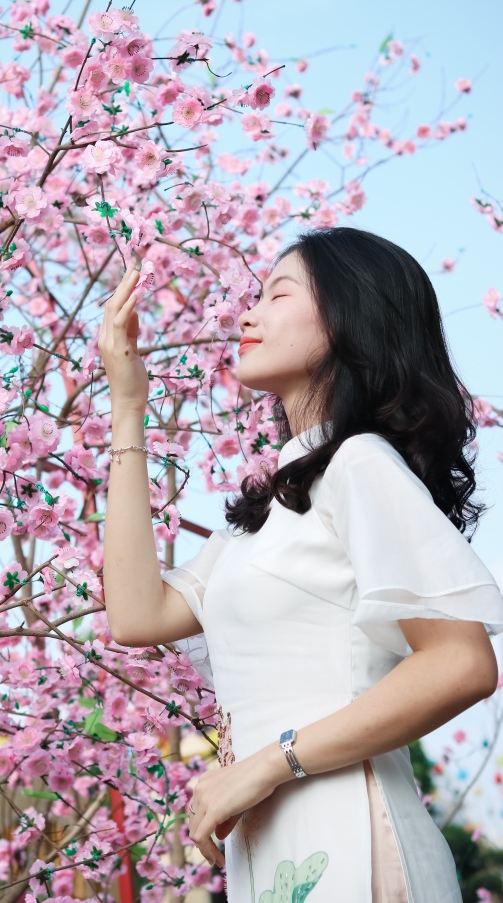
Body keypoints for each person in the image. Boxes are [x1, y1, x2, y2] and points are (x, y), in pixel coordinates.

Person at [98, 226, 503, 903]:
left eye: (277, 293)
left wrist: (269, 762)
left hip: (345, 824)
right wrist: (128, 408)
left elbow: (461, 662)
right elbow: (137, 615)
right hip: (271, 837)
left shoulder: (360, 463)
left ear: (351, 318)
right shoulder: (277, 503)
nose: (248, 313)